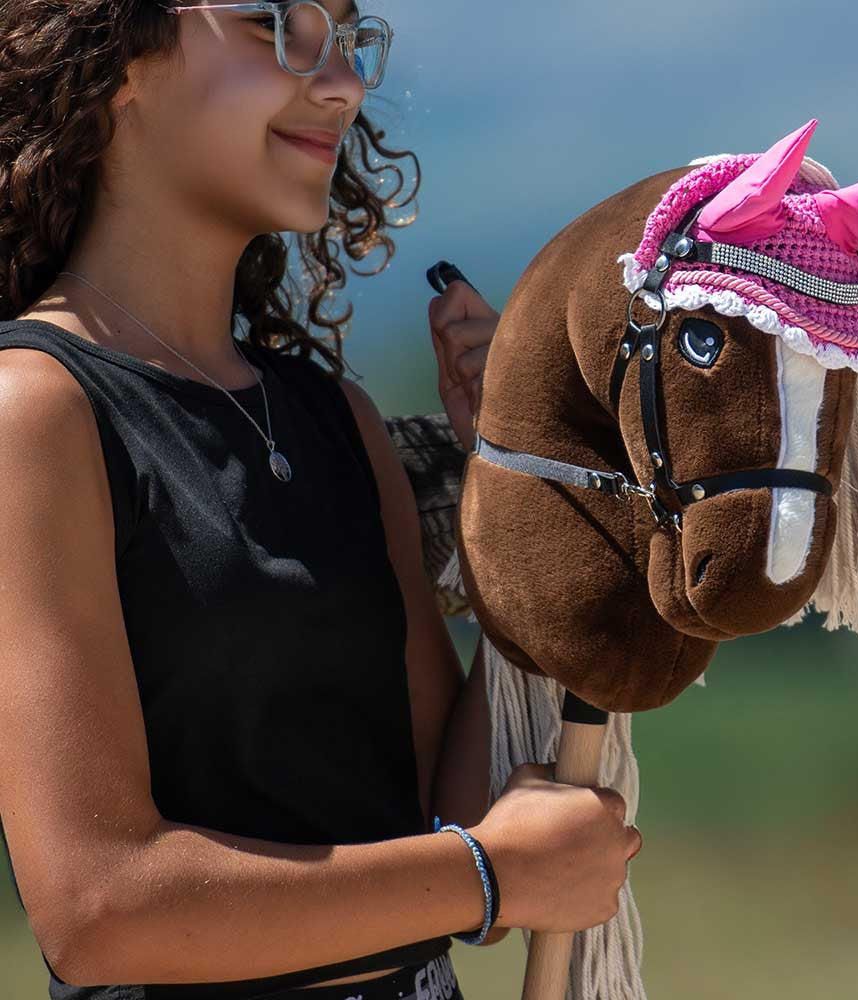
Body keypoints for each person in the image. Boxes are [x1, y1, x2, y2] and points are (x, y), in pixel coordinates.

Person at [0, 2, 642, 999]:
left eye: (347, 37)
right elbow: (96, 909)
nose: (341, 80)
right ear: (117, 52)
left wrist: (522, 482)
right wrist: (487, 875)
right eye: (276, 23)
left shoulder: (332, 415)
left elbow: (441, 810)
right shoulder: (33, 414)